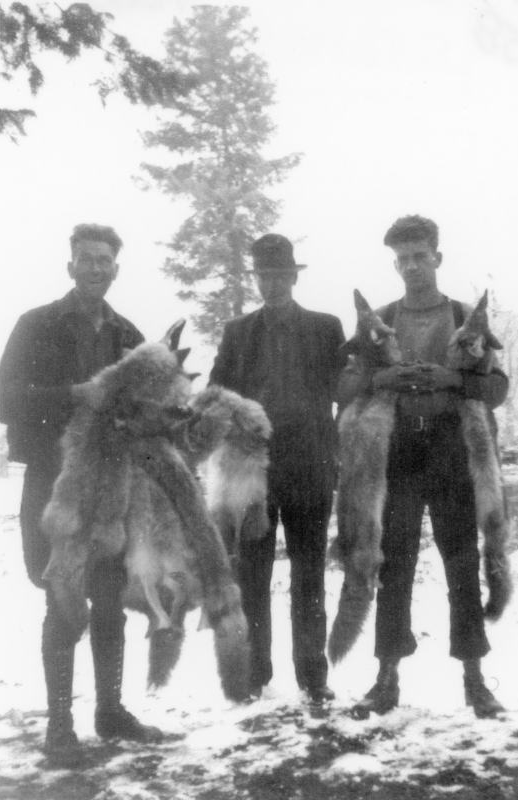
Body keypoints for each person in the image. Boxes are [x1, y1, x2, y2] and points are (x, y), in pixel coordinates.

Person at [0, 224, 163, 767]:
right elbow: (2, 399)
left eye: (105, 260)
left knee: (112, 601)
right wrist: (72, 395)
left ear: (117, 269)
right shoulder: (36, 324)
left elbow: (146, 405)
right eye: (86, 259)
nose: (96, 267)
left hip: (112, 491)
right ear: (70, 265)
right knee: (63, 603)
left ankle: (110, 711)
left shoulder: (127, 334)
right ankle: (59, 727)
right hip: (54, 485)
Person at [347, 215, 508, 720]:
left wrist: (452, 379)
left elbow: (499, 389)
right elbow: (347, 386)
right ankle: (386, 678)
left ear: (437, 257)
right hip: (397, 454)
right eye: (404, 258)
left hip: (451, 451)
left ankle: (475, 680)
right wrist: (384, 376)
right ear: (395, 264)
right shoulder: (379, 320)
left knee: (461, 561)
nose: (413, 265)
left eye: (421, 255)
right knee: (391, 563)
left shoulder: (464, 314)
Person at [210, 233, 346, 704]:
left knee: (310, 575)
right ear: (258, 280)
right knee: (252, 575)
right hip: (254, 474)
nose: (273, 284)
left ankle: (313, 675)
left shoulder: (326, 328)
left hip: (310, 468)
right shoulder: (237, 332)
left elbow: (344, 391)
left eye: (281, 276)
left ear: (293, 276)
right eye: (264, 277)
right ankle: (254, 672)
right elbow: (217, 392)